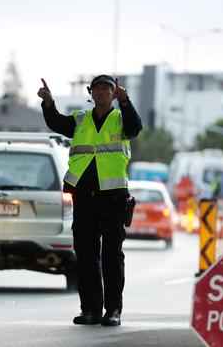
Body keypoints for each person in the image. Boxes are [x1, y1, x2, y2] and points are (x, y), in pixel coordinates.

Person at [38, 75, 142, 327]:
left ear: (113, 93)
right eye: (97, 88)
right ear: (90, 93)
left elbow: (134, 128)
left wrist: (126, 101)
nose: (102, 92)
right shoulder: (80, 119)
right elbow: (56, 122)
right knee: (86, 256)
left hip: (113, 197)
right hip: (84, 196)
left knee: (111, 256)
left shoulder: (120, 118)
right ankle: (91, 310)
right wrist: (49, 103)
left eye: (107, 88)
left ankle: (113, 310)